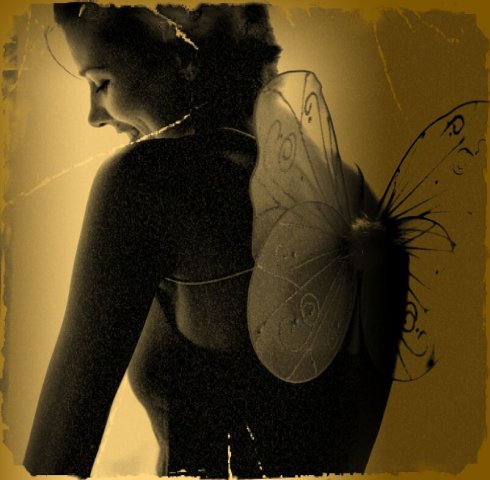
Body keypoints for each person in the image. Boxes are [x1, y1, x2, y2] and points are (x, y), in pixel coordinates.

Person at [24, 2, 406, 477]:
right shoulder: (360, 202)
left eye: (101, 83)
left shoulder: (145, 185)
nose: (94, 116)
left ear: (183, 56)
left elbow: (52, 463)